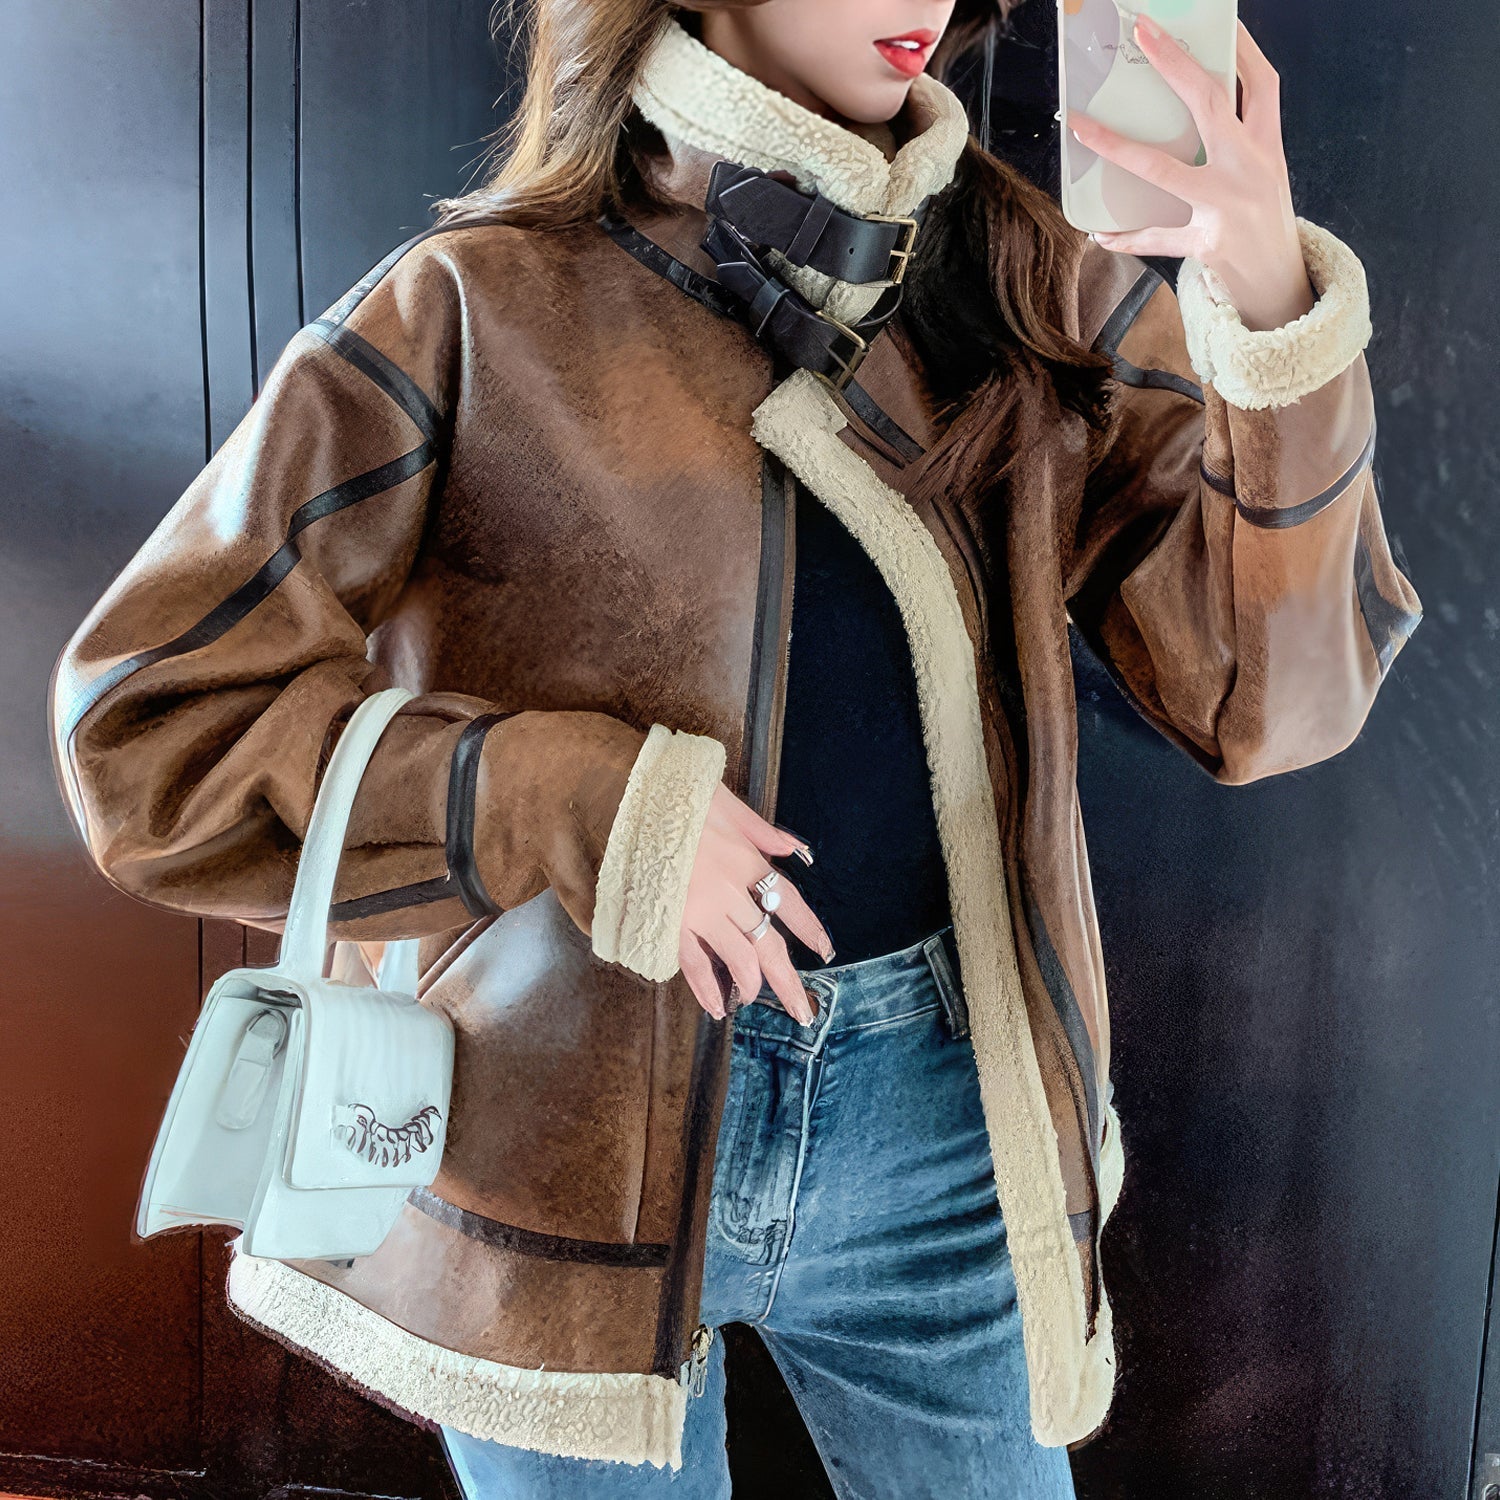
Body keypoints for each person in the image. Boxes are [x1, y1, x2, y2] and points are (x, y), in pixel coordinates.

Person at [48, 0, 1423, 1495]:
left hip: (950, 1138)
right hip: (556, 1136)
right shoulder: (475, 304)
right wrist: (581, 803)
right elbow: (148, 727)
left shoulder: (1032, 282)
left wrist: (1270, 305)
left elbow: (1267, 702)